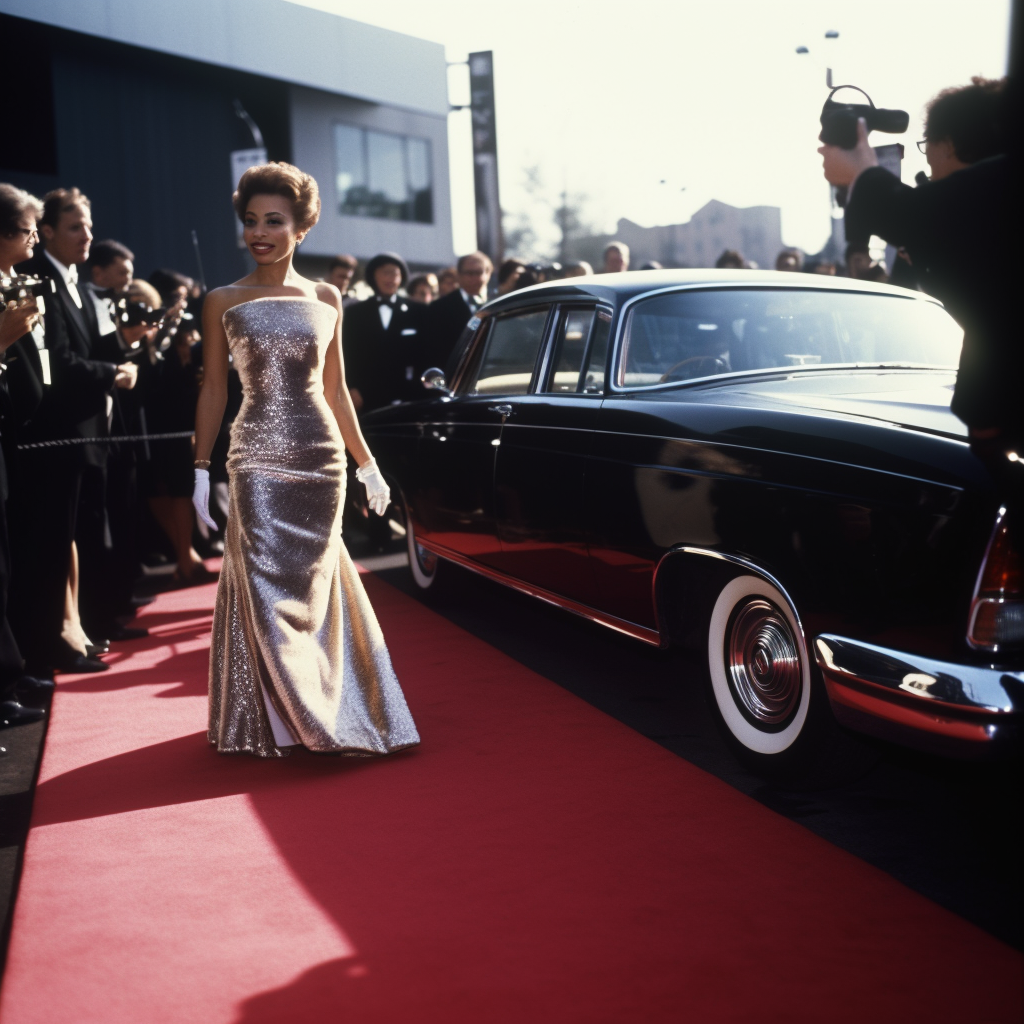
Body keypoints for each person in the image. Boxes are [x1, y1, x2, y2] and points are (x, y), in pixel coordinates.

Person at [191, 161, 419, 758]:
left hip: (322, 461)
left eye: (273, 220)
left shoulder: (327, 297)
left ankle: (329, 707)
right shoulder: (223, 300)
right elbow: (214, 389)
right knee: (269, 589)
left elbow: (336, 390)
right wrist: (198, 469)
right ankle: (314, 721)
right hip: (256, 460)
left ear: (302, 228)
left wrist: (366, 464)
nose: (258, 232)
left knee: (317, 588)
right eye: (250, 221)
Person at [819, 81, 1017, 447]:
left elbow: (917, 214)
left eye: (928, 146)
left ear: (949, 144)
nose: (926, 158)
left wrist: (861, 170)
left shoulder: (987, 196)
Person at [11, 188, 137, 675]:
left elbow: (103, 347)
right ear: (44, 233)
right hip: (56, 435)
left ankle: (74, 627)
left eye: (88, 225)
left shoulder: (79, 284)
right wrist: (111, 374)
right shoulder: (34, 279)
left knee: (75, 537)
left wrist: (125, 357)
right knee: (49, 543)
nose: (88, 234)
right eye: (75, 227)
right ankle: (47, 645)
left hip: (88, 436)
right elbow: (56, 365)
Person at [0, 184, 52, 730]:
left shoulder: (13, 284)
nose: (34, 236)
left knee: (8, 561)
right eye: (27, 228)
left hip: (13, 436)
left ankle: (11, 673)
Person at [425, 250, 492, 372]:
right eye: (469, 273)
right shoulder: (439, 308)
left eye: (478, 272)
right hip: (454, 376)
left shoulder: (498, 304)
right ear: (459, 275)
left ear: (488, 273)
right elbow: (433, 350)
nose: (473, 277)